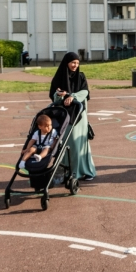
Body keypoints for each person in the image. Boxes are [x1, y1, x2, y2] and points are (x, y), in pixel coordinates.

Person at [49, 52, 95, 181]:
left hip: (79, 115)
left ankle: (84, 171)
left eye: (77, 63)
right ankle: (65, 172)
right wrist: (60, 96)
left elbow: (85, 92)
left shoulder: (81, 76)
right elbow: (54, 95)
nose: (75, 65)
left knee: (78, 142)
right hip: (64, 116)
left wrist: (72, 96)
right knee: (64, 144)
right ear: (66, 63)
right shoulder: (59, 78)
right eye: (73, 62)